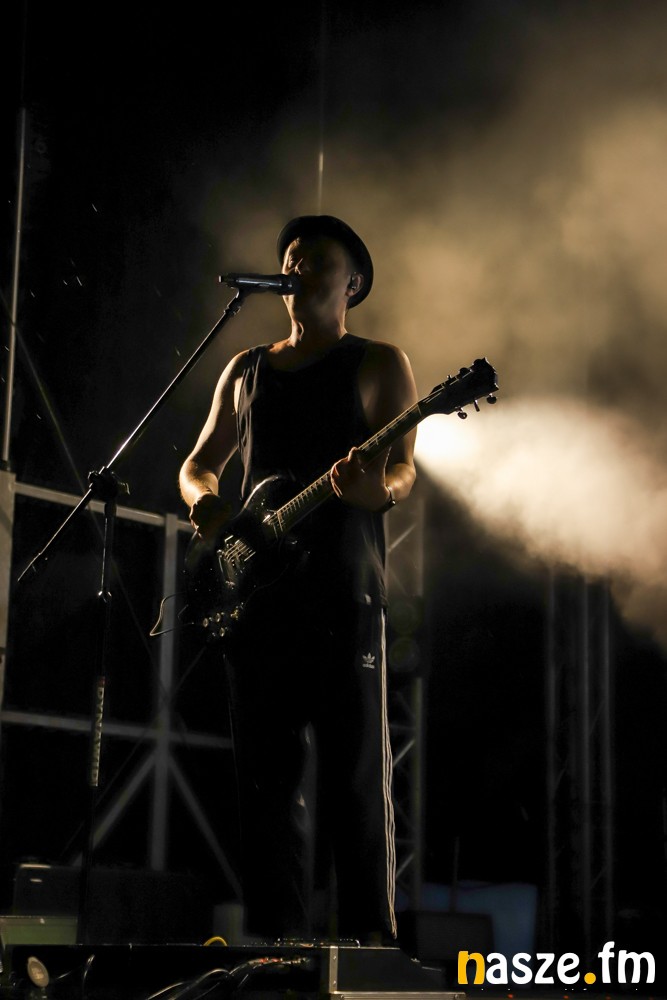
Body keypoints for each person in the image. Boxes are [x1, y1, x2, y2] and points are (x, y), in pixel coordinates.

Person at [178, 214, 418, 945]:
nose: (297, 267)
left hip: (343, 598)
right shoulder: (246, 369)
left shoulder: (378, 362)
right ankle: (274, 956)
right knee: (265, 790)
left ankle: (371, 950)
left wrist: (374, 490)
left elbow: (403, 471)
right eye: (290, 257)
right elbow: (197, 466)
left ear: (353, 282)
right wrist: (209, 507)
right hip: (258, 606)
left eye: (316, 258)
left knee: (354, 785)